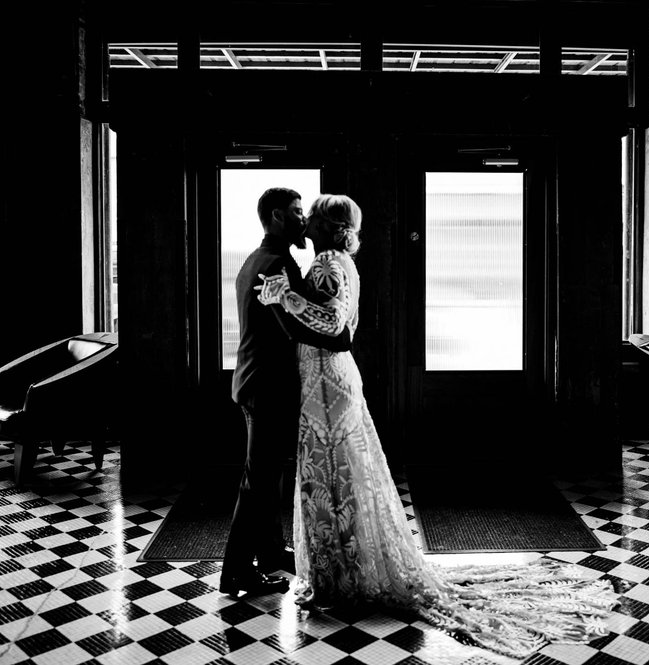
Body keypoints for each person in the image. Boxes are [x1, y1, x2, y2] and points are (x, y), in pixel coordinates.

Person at [254, 193, 620, 659]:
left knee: (332, 477)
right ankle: (343, 570)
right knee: (339, 478)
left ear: (327, 227)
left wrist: (285, 297)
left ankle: (342, 576)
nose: (305, 224)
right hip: (326, 379)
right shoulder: (339, 259)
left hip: (327, 383)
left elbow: (333, 324)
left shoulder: (328, 262)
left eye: (314, 217)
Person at [219, 187, 352, 599]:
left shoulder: (256, 259)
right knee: (257, 481)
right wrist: (339, 337)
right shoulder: (276, 264)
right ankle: (236, 572)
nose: (302, 219)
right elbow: (294, 330)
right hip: (268, 387)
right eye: (296, 212)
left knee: (267, 476)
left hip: (253, 381)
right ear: (277, 216)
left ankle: (272, 553)